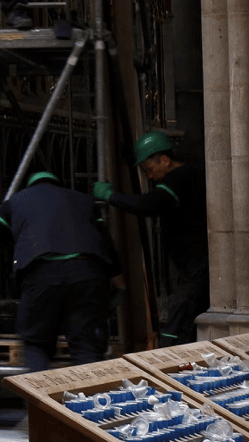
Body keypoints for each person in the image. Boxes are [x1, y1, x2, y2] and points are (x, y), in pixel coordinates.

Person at [0, 171, 120, 371]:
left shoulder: (16, 202)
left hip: (41, 275)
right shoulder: (84, 201)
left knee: (37, 345)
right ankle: (92, 400)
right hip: (87, 274)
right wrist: (119, 283)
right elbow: (107, 245)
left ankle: (38, 401)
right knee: (87, 347)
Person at [93, 130, 209, 346]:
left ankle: (170, 369)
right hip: (192, 264)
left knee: (177, 323)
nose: (148, 177)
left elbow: (148, 205)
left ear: (165, 160)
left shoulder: (180, 179)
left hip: (196, 264)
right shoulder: (190, 174)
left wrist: (111, 196)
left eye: (149, 169)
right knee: (188, 320)